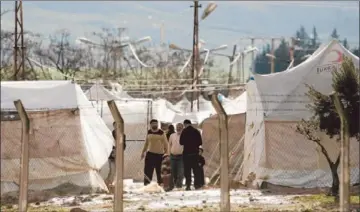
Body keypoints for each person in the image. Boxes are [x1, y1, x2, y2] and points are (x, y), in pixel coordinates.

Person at [141, 119, 169, 186]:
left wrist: (166, 153)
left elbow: (166, 144)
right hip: (150, 154)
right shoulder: (149, 132)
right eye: (153, 123)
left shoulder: (161, 132)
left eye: (155, 123)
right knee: (148, 170)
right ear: (150, 125)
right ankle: (147, 184)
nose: (154, 125)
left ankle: (161, 184)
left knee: (159, 171)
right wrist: (143, 152)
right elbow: (146, 143)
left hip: (160, 155)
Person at [179, 119, 203, 190]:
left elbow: (181, 142)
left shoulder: (184, 131)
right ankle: (197, 185)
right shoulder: (196, 131)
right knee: (196, 170)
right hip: (195, 154)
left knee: (187, 170)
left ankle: (188, 185)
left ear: (185, 124)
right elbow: (200, 142)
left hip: (186, 154)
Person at [106, 122, 126, 191]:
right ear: (113, 126)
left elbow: (123, 146)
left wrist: (119, 151)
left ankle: (115, 184)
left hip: (118, 155)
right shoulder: (110, 135)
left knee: (118, 170)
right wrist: (113, 152)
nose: (116, 127)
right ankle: (108, 184)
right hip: (112, 155)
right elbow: (108, 145)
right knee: (112, 170)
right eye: (115, 126)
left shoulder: (122, 135)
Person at [168, 123, 184, 190]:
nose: (178, 128)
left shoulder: (185, 136)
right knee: (172, 172)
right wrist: (168, 155)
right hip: (172, 156)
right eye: (177, 127)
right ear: (175, 127)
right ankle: (171, 186)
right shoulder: (172, 135)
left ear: (182, 128)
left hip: (181, 157)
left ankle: (179, 186)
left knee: (180, 172)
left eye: (180, 127)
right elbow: (169, 145)